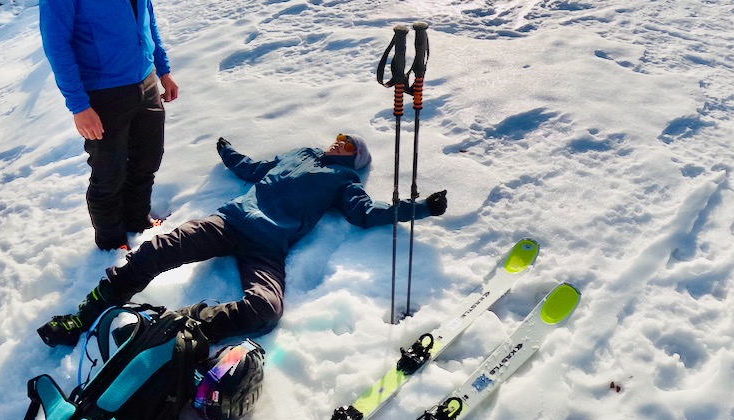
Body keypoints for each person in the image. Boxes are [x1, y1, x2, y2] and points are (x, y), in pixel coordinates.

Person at [37, 133, 447, 347]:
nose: (337, 141)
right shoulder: (299, 153)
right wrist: (227, 152)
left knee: (266, 311)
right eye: (339, 136)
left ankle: (177, 328)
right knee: (157, 249)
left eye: (348, 143)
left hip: (267, 246)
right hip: (231, 221)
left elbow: (367, 213)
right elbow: (253, 168)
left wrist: (422, 207)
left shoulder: (345, 181)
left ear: (354, 157)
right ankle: (84, 316)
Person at [39, 0, 179, 251]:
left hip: (145, 80)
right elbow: (56, 42)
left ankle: (138, 220)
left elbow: (146, 16)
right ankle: (111, 241)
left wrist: (162, 69)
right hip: (103, 92)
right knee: (108, 173)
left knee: (148, 161)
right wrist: (78, 106)